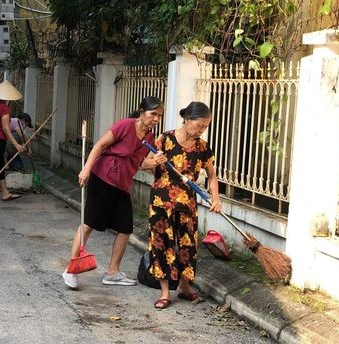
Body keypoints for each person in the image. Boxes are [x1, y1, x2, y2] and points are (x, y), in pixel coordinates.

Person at [62, 96, 167, 289]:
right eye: (153, 114)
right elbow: (100, 145)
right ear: (142, 112)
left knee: (125, 228)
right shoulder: (125, 126)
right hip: (103, 178)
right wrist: (86, 169)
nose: (156, 119)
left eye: (159, 116)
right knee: (88, 224)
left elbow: (140, 163)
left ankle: (112, 272)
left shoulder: (149, 138)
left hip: (122, 185)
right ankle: (71, 269)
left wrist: (156, 162)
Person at [145, 101, 221, 309]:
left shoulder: (202, 147)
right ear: (187, 120)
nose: (202, 130)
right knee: (162, 244)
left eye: (205, 127)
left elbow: (212, 176)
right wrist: (156, 161)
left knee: (188, 246)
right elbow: (144, 163)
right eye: (199, 126)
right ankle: (165, 292)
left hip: (187, 204)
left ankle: (184, 287)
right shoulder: (165, 139)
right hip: (161, 202)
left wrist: (216, 198)